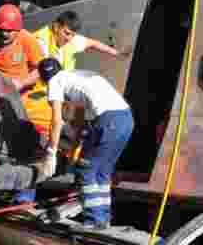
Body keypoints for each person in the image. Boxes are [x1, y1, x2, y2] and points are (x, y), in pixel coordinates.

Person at [39, 58, 134, 229]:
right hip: (125, 118)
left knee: (85, 170)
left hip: (108, 120)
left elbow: (57, 121)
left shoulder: (54, 82)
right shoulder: (76, 76)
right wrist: (75, 147)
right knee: (102, 171)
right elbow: (81, 121)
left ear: (43, 79)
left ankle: (94, 220)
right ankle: (104, 218)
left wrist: (51, 153)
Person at [0, 3, 49, 202]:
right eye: (1, 30)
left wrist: (20, 83)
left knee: (26, 145)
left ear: (18, 29)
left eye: (10, 31)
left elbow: (40, 69)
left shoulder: (27, 40)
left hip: (24, 98)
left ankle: (24, 195)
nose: (5, 35)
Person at [33, 10, 122, 70]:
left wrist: (116, 53)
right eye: (67, 33)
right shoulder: (41, 41)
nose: (69, 39)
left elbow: (94, 44)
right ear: (56, 27)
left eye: (73, 35)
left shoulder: (72, 40)